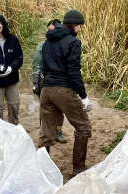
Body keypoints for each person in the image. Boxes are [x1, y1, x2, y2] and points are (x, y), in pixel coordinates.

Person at [39, 10, 92, 176]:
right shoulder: (73, 43)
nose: (80, 29)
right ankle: (78, 169)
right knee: (84, 128)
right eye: (79, 26)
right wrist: (83, 96)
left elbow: (44, 68)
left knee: (46, 133)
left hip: (46, 90)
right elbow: (74, 72)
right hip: (63, 89)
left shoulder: (47, 42)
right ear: (73, 25)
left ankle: (40, 171)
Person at [33, 19, 66, 144]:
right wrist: (35, 83)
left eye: (53, 30)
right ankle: (47, 133)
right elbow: (36, 65)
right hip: (44, 79)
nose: (51, 32)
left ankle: (58, 132)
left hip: (60, 80)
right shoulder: (42, 46)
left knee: (60, 107)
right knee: (45, 108)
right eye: (49, 30)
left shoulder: (64, 45)